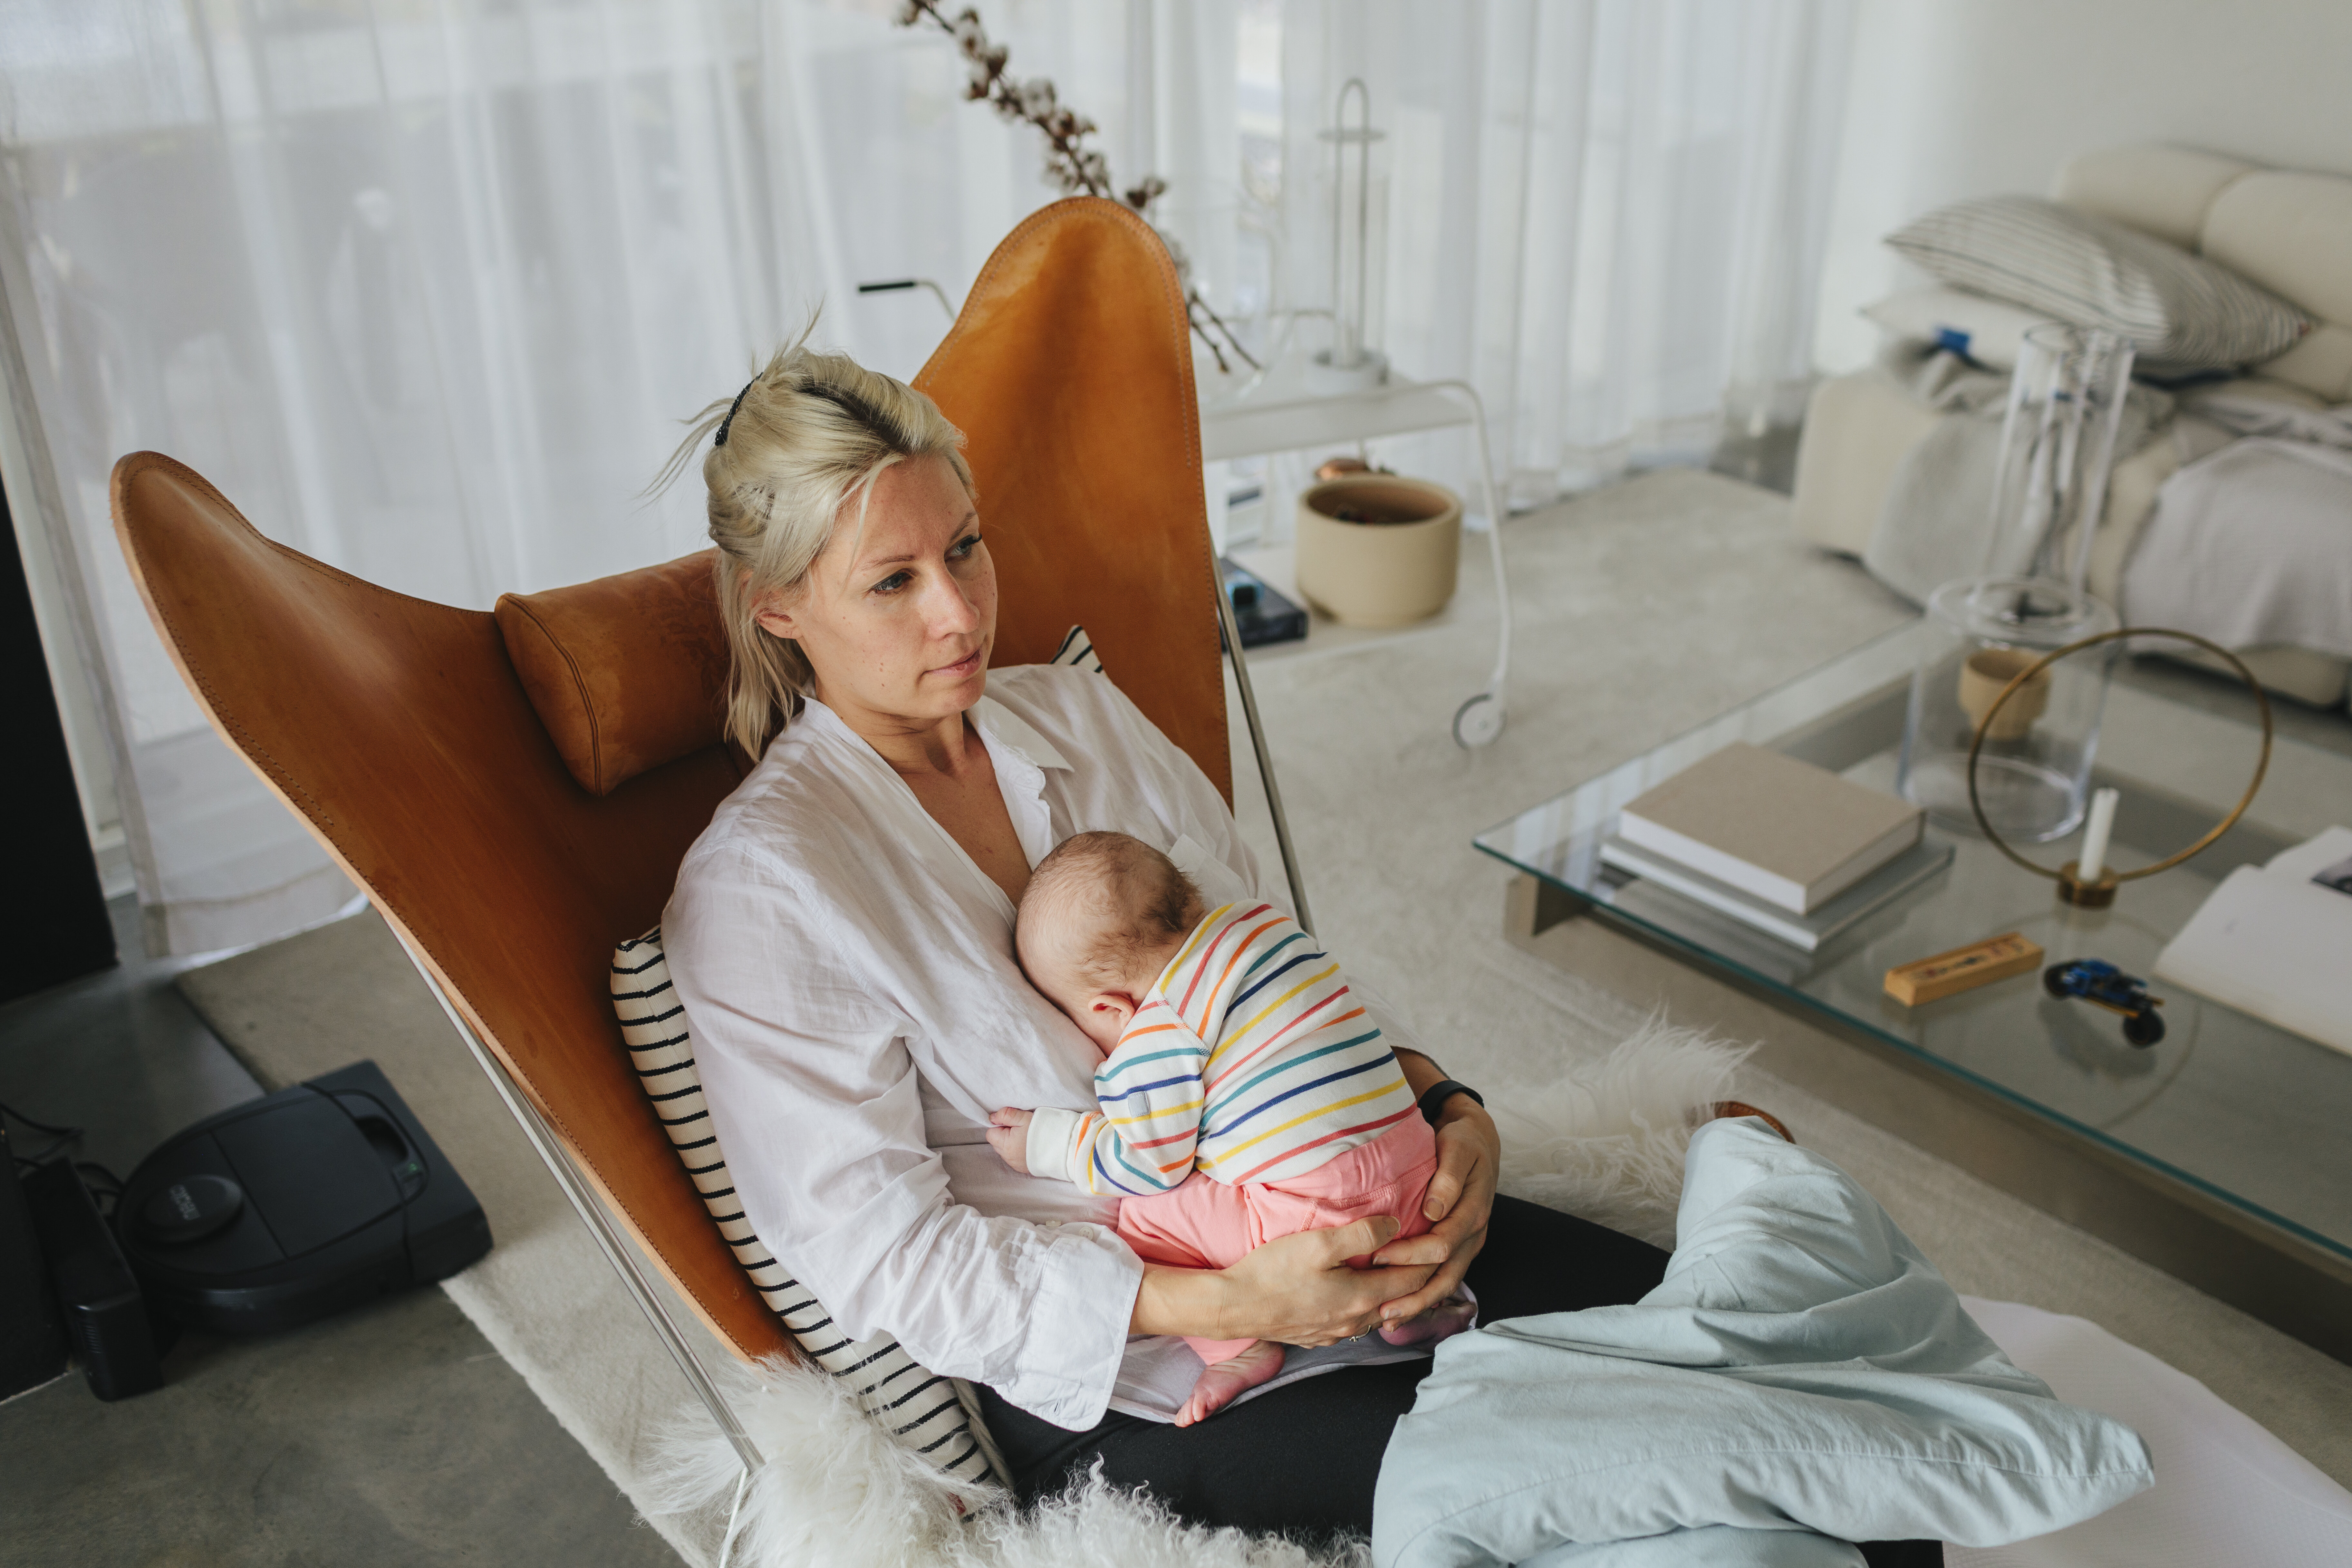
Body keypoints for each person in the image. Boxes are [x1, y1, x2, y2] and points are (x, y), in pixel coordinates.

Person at [656, 334, 1935, 1564]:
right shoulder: (768, 892)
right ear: (777, 605)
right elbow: (886, 1258)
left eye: (967, 547)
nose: (960, 611)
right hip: (1151, 1382)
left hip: (1359, 1223)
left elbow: (1275, 968)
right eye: (893, 581)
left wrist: (1442, 1099)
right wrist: (1231, 1304)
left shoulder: (1074, 711)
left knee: (1784, 1369)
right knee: (1690, 1458)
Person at [990, 830, 1478, 1426]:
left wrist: (1050, 1142)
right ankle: (1417, 1310)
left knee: (1146, 1215)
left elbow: (1151, 1163)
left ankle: (1242, 1346)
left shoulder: (1156, 1029)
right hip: (1423, 1177)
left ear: (1108, 1008)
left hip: (1315, 1223)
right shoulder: (1268, 931)